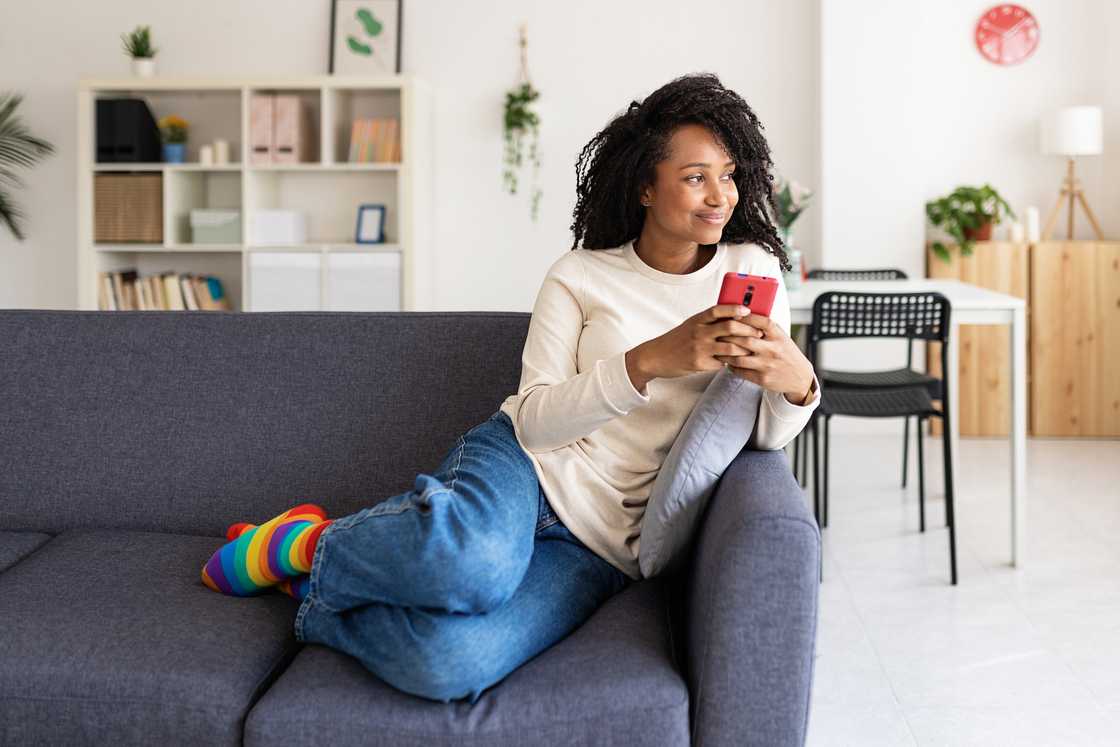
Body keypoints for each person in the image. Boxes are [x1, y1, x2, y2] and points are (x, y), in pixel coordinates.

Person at [199, 71, 820, 706]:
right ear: (644, 186)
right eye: (695, 177)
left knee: (448, 665)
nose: (719, 195)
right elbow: (535, 421)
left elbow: (759, 430)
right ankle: (305, 540)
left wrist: (799, 386)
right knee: (471, 567)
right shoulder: (580, 276)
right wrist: (650, 361)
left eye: (728, 174)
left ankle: (315, 585)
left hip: (600, 547)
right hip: (523, 466)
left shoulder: (754, 269)